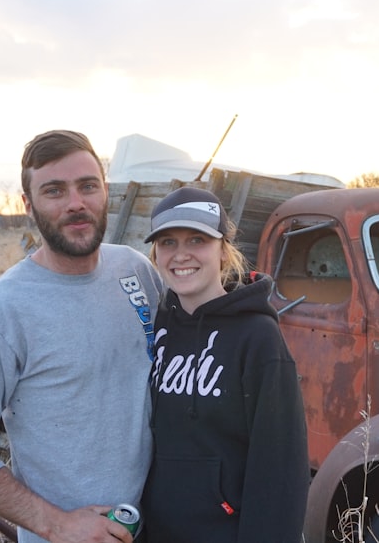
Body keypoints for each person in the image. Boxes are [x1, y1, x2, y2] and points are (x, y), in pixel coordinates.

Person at [0, 130, 162, 543]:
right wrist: (58, 525)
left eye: (87, 186)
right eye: (54, 191)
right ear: (28, 205)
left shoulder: (134, 270)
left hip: (159, 522)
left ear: (105, 191)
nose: (76, 203)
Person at [140, 187, 309, 542]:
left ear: (223, 251)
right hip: (155, 531)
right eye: (167, 242)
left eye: (197, 240)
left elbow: (280, 468)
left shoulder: (258, 337)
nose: (180, 255)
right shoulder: (157, 326)